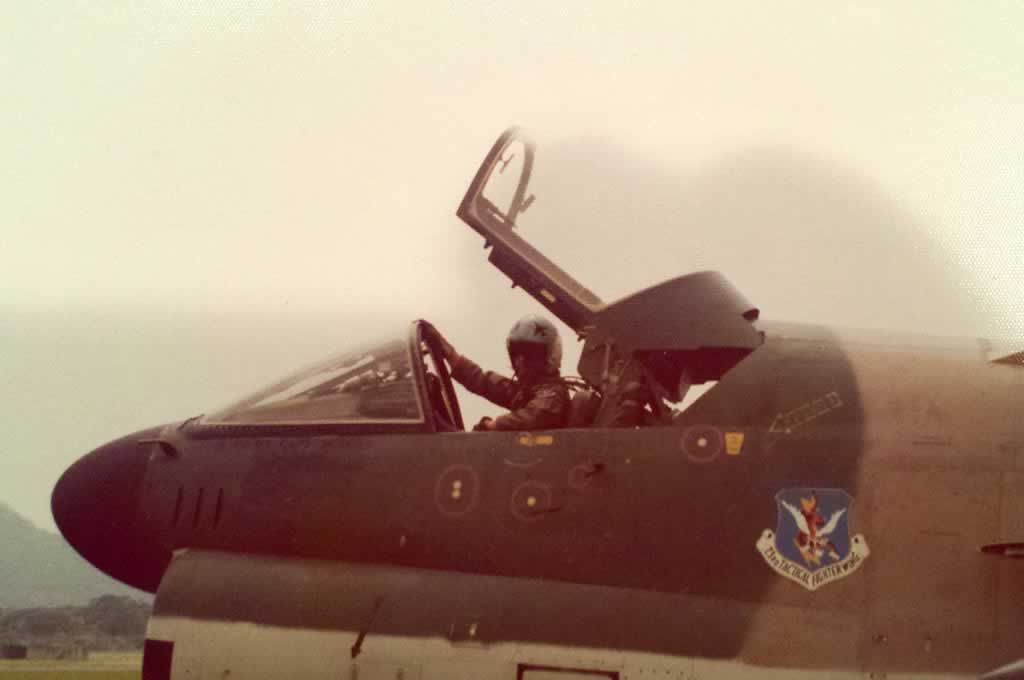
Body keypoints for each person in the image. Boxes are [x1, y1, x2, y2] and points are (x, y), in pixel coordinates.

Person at [424, 315, 570, 431]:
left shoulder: (552, 393)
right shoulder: (531, 389)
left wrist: (493, 425)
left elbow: (534, 415)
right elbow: (485, 382)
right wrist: (449, 353)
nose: (518, 363)